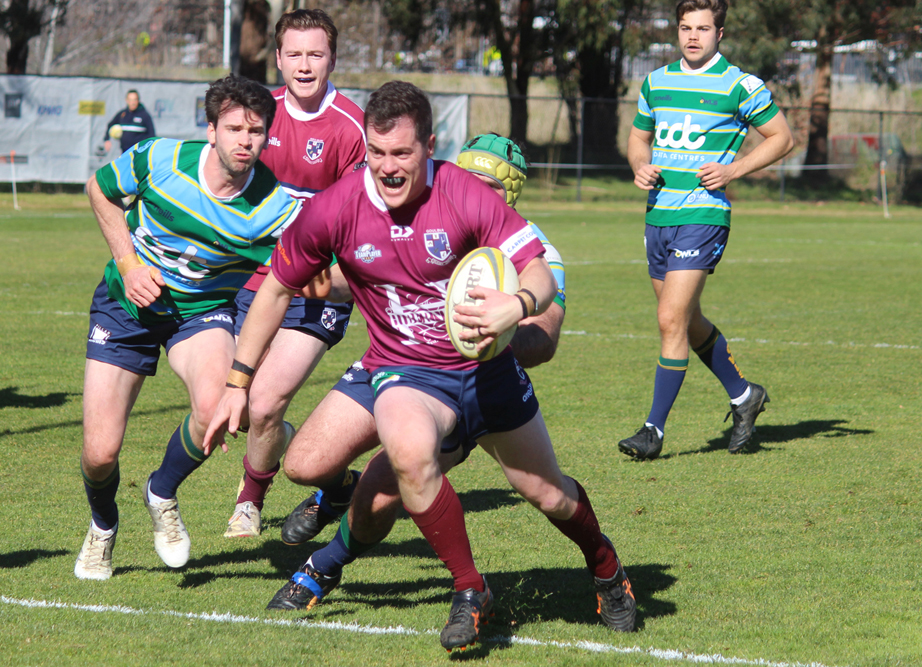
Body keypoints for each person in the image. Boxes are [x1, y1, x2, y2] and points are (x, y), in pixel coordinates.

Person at [206, 84, 636, 651]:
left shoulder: (465, 195)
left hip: (487, 374)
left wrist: (517, 305)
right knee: (402, 459)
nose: (388, 167)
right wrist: (238, 381)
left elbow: (538, 272)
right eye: (377, 153)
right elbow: (276, 288)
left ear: (429, 147)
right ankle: (470, 588)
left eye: (402, 154)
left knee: (549, 494)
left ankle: (605, 566)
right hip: (405, 370)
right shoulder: (334, 207)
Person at [257, 134, 568, 621]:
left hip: (463, 383)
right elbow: (366, 268)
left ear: (509, 192)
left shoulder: (532, 248)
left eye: (488, 183)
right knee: (304, 464)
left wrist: (497, 332)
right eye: (468, 176)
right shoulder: (432, 209)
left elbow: (544, 340)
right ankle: (334, 491)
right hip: (391, 361)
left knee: (385, 487)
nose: (474, 188)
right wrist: (324, 281)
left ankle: (324, 567)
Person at [74, 75, 300, 582]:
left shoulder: (275, 207)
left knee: (217, 406)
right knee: (100, 452)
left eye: (256, 131)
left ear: (268, 136)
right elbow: (100, 190)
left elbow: (319, 267)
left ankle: (161, 491)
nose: (245, 141)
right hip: (125, 306)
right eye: (234, 129)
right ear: (211, 129)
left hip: (200, 313)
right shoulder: (160, 159)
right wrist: (129, 265)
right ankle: (103, 525)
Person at [618, 0, 794, 461]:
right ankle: (744, 395)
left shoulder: (740, 85)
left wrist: (734, 170)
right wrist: (639, 164)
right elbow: (638, 138)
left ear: (720, 34)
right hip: (658, 215)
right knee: (686, 320)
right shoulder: (657, 82)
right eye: (685, 27)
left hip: (703, 216)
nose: (692, 36)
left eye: (702, 28)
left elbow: (782, 137)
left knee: (670, 320)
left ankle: (653, 430)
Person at [223, 8, 367, 540]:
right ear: (278, 59)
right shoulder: (258, 116)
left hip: (316, 289)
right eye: (295, 54)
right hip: (253, 281)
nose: (305, 65)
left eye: (316, 54)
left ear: (332, 59)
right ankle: (336, 480)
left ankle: (249, 501)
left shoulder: (352, 127)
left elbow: (361, 217)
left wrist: (330, 271)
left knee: (263, 402)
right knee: (236, 405)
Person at [103, 90, 156, 154]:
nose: (132, 103)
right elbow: (110, 125)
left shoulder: (144, 115)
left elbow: (152, 135)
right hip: (125, 153)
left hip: (139, 154)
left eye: (134, 100)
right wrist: (107, 140)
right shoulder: (122, 114)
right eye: (130, 100)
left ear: (138, 101)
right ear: (127, 100)